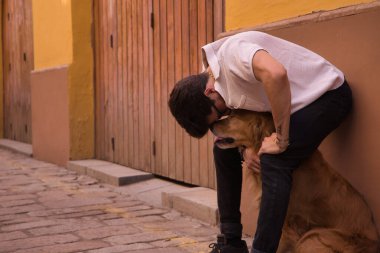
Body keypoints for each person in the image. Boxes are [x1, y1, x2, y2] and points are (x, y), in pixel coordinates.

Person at [168, 31, 352, 253]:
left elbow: (276, 74)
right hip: (295, 107)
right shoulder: (208, 84)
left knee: (275, 161)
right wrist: (245, 150)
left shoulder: (234, 54)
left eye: (219, 113)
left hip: (327, 97)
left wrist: (281, 140)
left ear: (209, 91)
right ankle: (231, 243)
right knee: (222, 148)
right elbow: (247, 123)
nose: (223, 116)